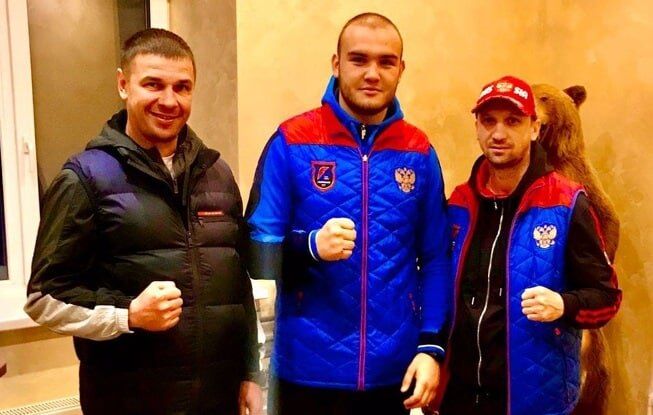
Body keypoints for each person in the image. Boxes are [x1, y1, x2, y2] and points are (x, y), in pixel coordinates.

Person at [24, 28, 262, 415]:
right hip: (126, 403)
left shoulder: (216, 173)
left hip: (217, 400)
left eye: (182, 87)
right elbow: (44, 299)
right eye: (153, 84)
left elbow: (237, 286)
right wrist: (129, 315)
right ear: (123, 84)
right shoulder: (84, 179)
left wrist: (250, 372)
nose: (169, 101)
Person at [246, 13, 451, 415]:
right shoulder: (291, 141)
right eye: (359, 60)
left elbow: (437, 259)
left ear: (401, 69)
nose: (372, 73)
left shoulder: (419, 151)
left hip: (392, 373)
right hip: (306, 371)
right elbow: (255, 251)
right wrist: (311, 247)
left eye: (386, 62)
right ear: (336, 64)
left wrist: (431, 347)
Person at [436, 75, 622, 415]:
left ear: (535, 128)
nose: (499, 133)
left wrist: (564, 305)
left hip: (535, 400)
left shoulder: (567, 203)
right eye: (488, 121)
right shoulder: (459, 204)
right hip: (460, 396)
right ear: (476, 127)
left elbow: (607, 298)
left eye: (513, 121)